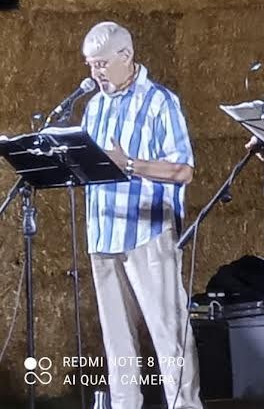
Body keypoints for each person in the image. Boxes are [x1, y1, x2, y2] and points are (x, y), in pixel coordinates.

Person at [79, 21, 202, 409]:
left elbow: (184, 170)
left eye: (101, 64)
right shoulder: (93, 107)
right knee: (117, 341)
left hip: (147, 233)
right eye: (90, 64)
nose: (95, 73)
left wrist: (130, 165)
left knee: (169, 333)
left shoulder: (160, 102)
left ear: (126, 56)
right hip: (103, 233)